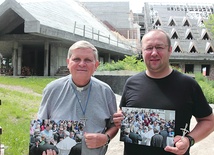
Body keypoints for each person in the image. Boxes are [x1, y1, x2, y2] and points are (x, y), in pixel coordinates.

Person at [113, 29, 214, 155]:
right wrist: (119, 120)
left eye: (159, 47)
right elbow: (121, 113)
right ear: (142, 52)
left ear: (170, 50)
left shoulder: (188, 85)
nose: (154, 53)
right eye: (149, 48)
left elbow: (209, 120)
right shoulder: (131, 83)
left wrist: (189, 140)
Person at [37, 40, 118, 155]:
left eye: (88, 60)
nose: (82, 64)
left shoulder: (106, 91)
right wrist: (46, 150)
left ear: (96, 65)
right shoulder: (52, 90)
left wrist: (106, 138)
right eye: (76, 59)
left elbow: (114, 125)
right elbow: (41, 126)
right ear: (68, 62)